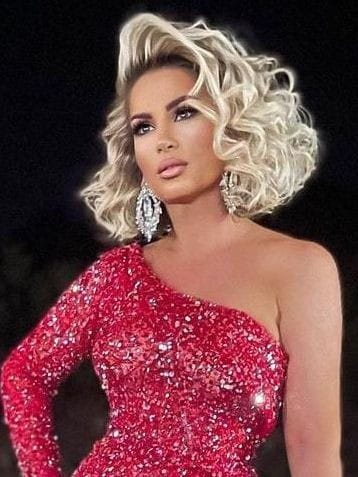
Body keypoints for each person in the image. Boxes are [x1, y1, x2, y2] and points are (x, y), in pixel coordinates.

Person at [0, 11, 343, 477]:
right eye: (143, 127)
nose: (162, 140)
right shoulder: (115, 275)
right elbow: (23, 374)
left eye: (183, 113)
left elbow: (314, 452)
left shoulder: (301, 268)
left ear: (230, 125)